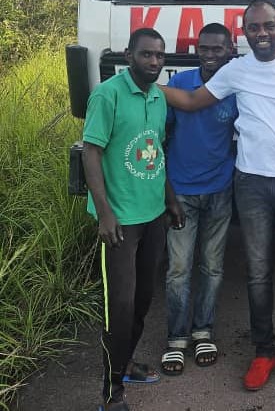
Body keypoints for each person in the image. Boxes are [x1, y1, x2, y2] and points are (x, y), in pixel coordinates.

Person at [161, 0, 275, 399]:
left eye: (268, 25)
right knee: (258, 274)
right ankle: (264, 352)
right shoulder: (235, 70)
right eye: (254, 27)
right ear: (244, 33)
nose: (262, 33)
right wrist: (142, 85)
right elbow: (191, 101)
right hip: (251, 185)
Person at [82, 27, 184, 411]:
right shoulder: (107, 95)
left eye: (159, 55)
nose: (154, 61)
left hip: (153, 215)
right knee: (120, 309)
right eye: (146, 54)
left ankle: (123, 366)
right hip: (120, 221)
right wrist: (104, 213)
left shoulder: (158, 98)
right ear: (129, 56)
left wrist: (170, 200)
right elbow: (91, 153)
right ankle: (111, 393)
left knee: (142, 302)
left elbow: (155, 152)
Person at [161, 23, 237, 376]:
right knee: (178, 269)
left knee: (212, 266)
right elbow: (160, 136)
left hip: (220, 189)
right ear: (196, 50)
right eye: (204, 48)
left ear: (230, 50)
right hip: (181, 192)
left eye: (217, 49)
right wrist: (167, 192)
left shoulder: (236, 88)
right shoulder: (179, 84)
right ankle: (176, 338)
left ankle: (203, 331)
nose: (210, 55)